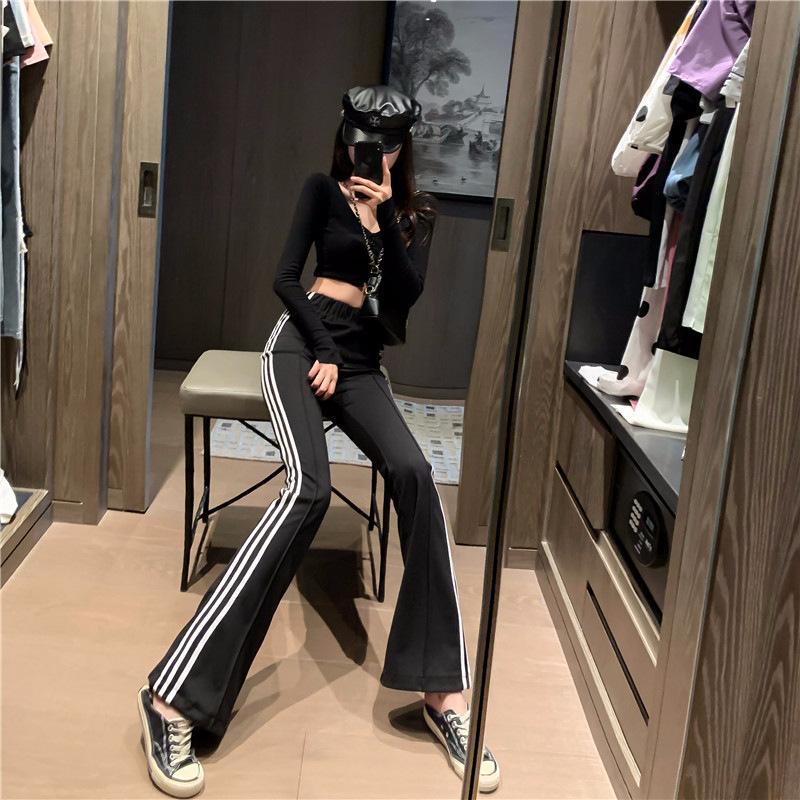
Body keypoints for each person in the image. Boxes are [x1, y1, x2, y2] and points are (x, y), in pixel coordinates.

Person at [136, 84, 500, 797]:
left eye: (385, 144)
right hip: (301, 345)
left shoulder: (413, 215)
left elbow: (405, 298)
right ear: (344, 137)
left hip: (362, 359)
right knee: (308, 490)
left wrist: (384, 217)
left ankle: (442, 694)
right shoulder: (318, 189)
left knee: (416, 473)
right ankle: (170, 696)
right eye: (361, 140)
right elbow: (284, 278)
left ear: (401, 149)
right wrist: (323, 347)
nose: (370, 154)